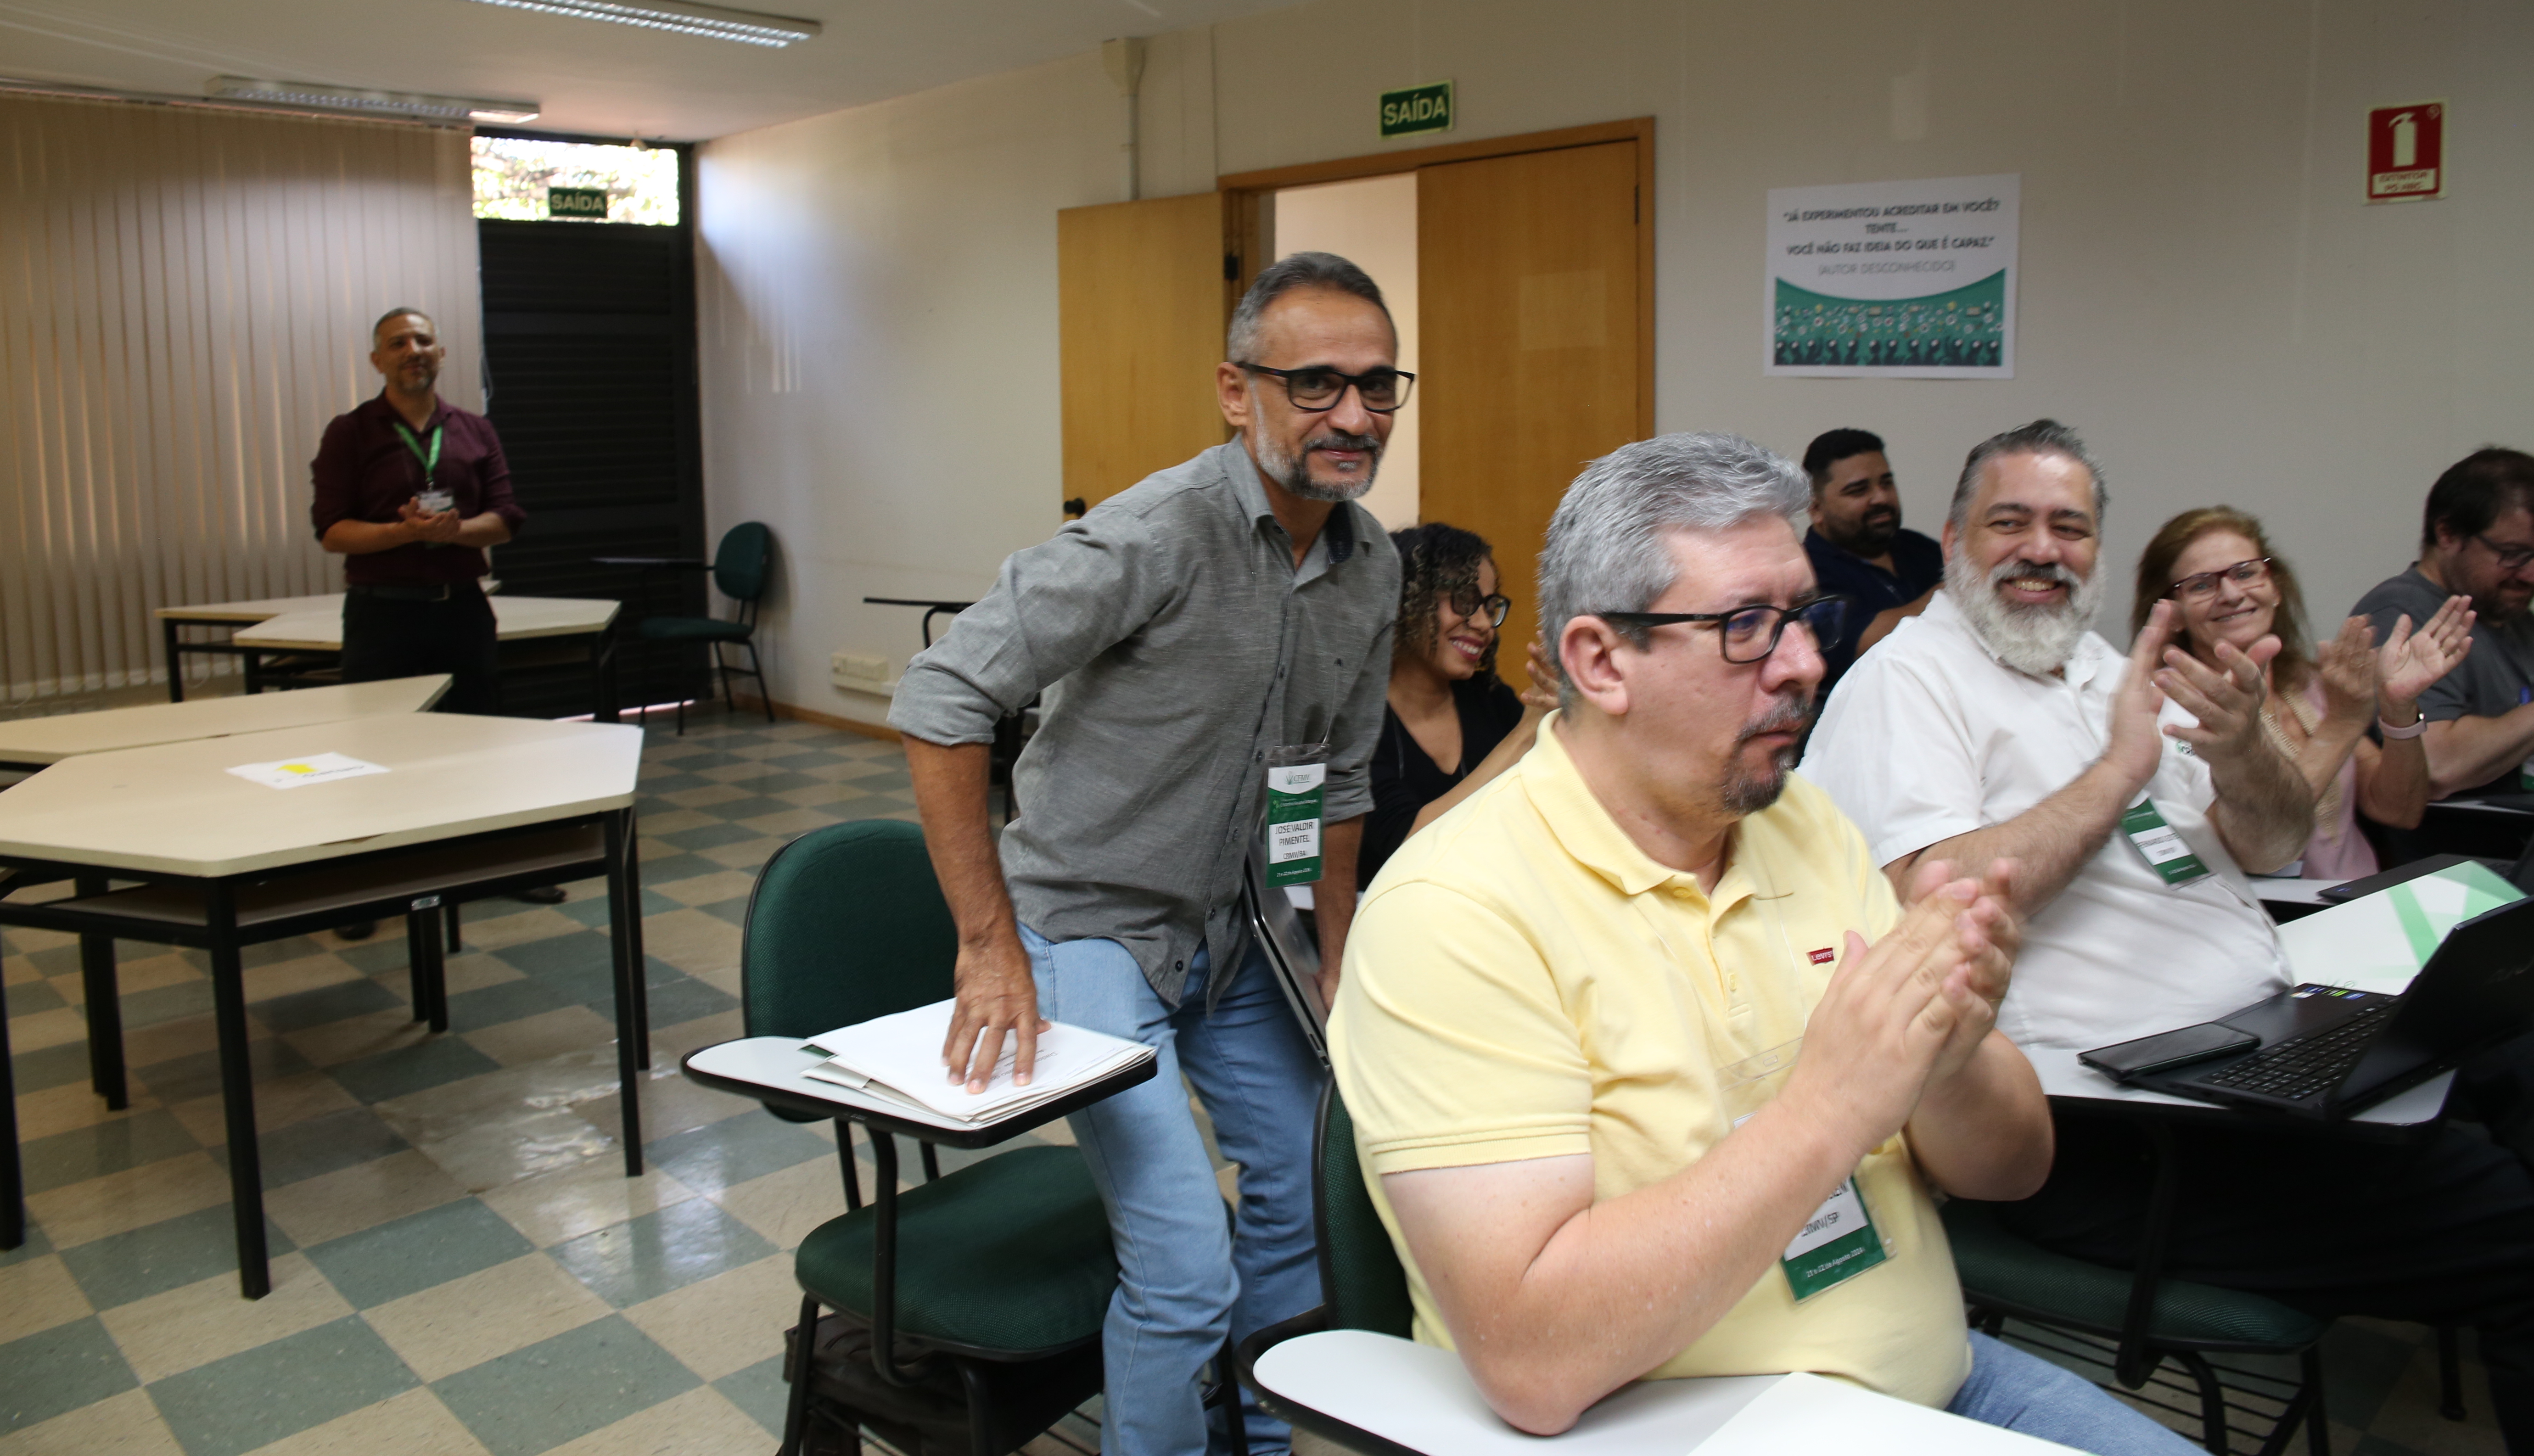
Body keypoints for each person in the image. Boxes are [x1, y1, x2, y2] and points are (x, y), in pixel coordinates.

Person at [1332, 431, 2196, 1455]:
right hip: (1681, 1430)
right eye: (1748, 625)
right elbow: (1534, 1361)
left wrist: (1951, 1051)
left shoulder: (1808, 826)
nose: (1806, 661)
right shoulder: (1456, 909)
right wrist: (1834, 1105)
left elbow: (2011, 1170)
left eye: (1802, 615)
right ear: (1602, 662)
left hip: (1939, 1387)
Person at [1802, 419, 2534, 1448]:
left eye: (2071, 527)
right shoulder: (1910, 681)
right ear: (1957, 538)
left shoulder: (2103, 670)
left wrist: (2242, 754)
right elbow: (1933, 901)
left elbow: (2265, 840)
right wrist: (2116, 776)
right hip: (2118, 1130)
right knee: (2518, 1231)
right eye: (2010, 523)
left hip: (2255, 1044)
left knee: (2519, 979)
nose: (2043, 549)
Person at [888, 252, 1403, 1456]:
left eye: (1379, 388)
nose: (1354, 416)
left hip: (1238, 938)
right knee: (1183, 1270)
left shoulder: (1371, 564)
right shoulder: (1155, 536)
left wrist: (1340, 958)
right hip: (1090, 934)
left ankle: (1262, 1440)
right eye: (1316, 383)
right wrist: (989, 943)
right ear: (1238, 391)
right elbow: (941, 697)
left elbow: (1335, 781)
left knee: (1310, 1189)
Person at [2134, 506, 2472, 878]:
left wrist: (2399, 708)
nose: (2231, 594)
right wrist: (2341, 726)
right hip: (2279, 921)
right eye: (2202, 585)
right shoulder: (2167, 705)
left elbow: (2400, 810)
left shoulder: (2310, 683)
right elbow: (2243, 850)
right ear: (2174, 614)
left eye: (2246, 573)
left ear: (2275, 588)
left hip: (2362, 903)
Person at [2353, 447, 2534, 802]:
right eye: (2514, 554)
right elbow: (2435, 765)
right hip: (2465, 849)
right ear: (2447, 534)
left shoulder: (2508, 608)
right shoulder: (2401, 615)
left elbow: (2524, 741)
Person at [311, 307, 525, 714]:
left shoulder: (476, 429)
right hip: (381, 617)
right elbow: (332, 531)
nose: (414, 351)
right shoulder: (349, 432)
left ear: (441, 353)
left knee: (475, 731)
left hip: (462, 612)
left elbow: (506, 518)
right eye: (398, 343)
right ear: (378, 361)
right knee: (382, 737)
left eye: (424, 342)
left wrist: (453, 531)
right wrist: (403, 533)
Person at [1358, 523, 1554, 889]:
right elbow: (1406, 841)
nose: (1484, 625)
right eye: (1464, 601)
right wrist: (1526, 733)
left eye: (1489, 606)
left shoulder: (1489, 698)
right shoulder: (1356, 719)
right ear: (1405, 600)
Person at [1799, 428, 1943, 708]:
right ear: (1817, 509)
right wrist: (1964, 585)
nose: (1881, 498)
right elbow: (1867, 642)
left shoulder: (1918, 547)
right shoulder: (1806, 574)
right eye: (1859, 490)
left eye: (1886, 483)